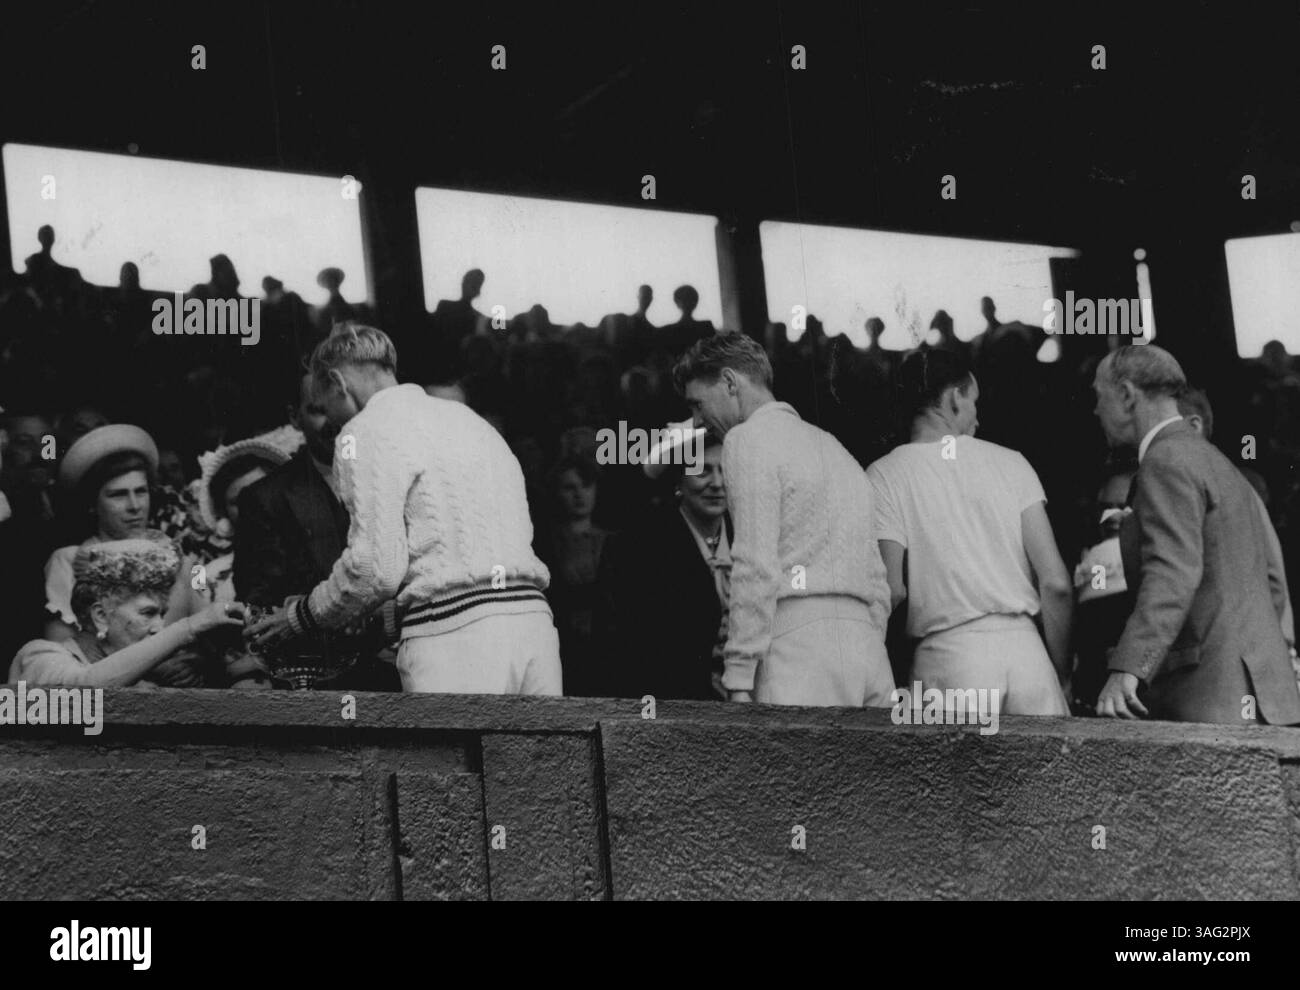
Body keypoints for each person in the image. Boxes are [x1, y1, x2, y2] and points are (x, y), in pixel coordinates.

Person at [247, 323, 561, 695]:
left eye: (324, 404)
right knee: (538, 755)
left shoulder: (363, 430)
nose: (331, 421)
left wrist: (301, 617)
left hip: (453, 642)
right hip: (534, 626)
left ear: (338, 383)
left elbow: (373, 571)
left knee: (452, 756)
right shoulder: (470, 421)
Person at [673, 332, 893, 707]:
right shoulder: (835, 448)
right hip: (868, 649)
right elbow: (877, 576)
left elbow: (755, 563)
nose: (698, 422)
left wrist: (739, 672)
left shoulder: (746, 439)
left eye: (697, 404)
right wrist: (869, 640)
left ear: (729, 382)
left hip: (797, 651)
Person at [1091, 345, 1300, 724]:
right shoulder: (1218, 462)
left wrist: (1129, 667)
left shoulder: (1164, 460)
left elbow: (1172, 571)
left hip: (1210, 695)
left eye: (1098, 396)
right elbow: (1271, 579)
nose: (1095, 410)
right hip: (1263, 695)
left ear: (1125, 394)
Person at [866, 348, 1073, 716]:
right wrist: (1060, 673)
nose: (978, 413)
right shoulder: (1012, 462)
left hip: (948, 665)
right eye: (974, 400)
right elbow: (1055, 582)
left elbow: (891, 591)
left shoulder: (885, 475)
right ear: (953, 397)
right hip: (1028, 659)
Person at [42, 424, 215, 687]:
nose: (134, 506)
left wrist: (199, 659)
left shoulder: (190, 562)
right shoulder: (66, 561)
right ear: (92, 504)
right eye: (118, 495)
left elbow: (210, 626)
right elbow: (59, 646)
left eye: (141, 491)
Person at [598, 426, 732, 701]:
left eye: (724, 471)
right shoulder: (642, 550)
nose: (717, 483)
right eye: (702, 471)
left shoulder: (751, 539)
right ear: (678, 483)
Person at [11, 535, 245, 687]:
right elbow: (85, 689)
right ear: (100, 616)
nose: (159, 628)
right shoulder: (40, 656)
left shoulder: (139, 678)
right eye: (147, 613)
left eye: (162, 615)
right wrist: (190, 627)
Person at [534, 457, 609, 696]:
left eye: (586, 486)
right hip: (563, 647)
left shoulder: (613, 542)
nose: (579, 494)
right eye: (569, 487)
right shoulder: (545, 545)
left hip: (604, 647)